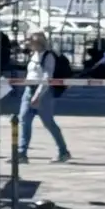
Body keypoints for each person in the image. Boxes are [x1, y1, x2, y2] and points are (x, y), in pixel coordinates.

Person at [18, 31, 70, 162]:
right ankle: (22, 153)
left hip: (43, 93)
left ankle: (63, 151)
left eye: (29, 40)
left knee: (48, 123)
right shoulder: (33, 54)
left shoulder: (48, 56)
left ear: (37, 42)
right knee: (24, 119)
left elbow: (47, 77)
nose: (27, 43)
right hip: (28, 90)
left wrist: (37, 95)